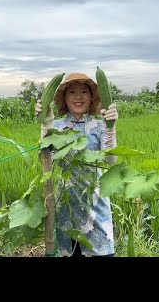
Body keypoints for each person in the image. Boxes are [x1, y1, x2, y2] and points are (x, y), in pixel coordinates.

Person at [35, 72, 119, 257]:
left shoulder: (99, 125)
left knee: (101, 252)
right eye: (72, 92)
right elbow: (45, 157)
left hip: (95, 204)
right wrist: (45, 125)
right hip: (66, 203)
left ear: (91, 98)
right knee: (69, 252)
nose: (78, 96)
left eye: (84, 91)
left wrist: (110, 127)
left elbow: (111, 160)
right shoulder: (57, 127)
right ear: (64, 98)